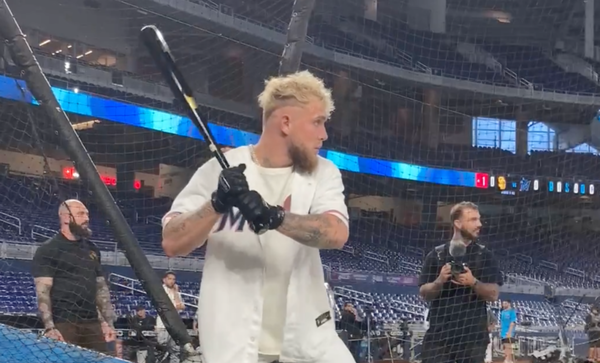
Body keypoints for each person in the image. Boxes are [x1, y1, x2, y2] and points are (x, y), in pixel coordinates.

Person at [161, 70, 353, 363]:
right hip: (233, 343)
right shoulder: (220, 170)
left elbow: (336, 232)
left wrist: (274, 217)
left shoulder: (323, 172)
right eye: (317, 122)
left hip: (308, 342)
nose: (324, 134)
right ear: (286, 122)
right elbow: (173, 242)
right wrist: (217, 203)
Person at [418, 202, 502, 363]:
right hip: (439, 337)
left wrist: (473, 282)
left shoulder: (485, 255)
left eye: (479, 219)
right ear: (457, 223)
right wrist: (439, 280)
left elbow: (493, 294)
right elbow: (424, 293)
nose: (479, 224)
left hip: (472, 338)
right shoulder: (436, 255)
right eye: (473, 220)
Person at [31, 199, 116, 354]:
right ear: (65, 217)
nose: (87, 218)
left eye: (87, 214)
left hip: (92, 322)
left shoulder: (92, 249)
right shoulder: (49, 249)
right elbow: (42, 292)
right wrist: (50, 327)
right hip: (64, 322)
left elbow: (101, 289)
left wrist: (107, 323)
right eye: (81, 214)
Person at [155, 271, 185, 363]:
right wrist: (176, 306)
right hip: (163, 325)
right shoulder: (160, 290)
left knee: (175, 351)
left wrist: (176, 292)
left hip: (175, 325)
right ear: (164, 280)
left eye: (173, 279)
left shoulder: (176, 292)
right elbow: (170, 306)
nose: (172, 281)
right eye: (169, 279)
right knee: (161, 351)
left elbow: (182, 306)